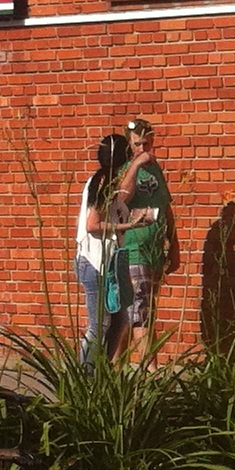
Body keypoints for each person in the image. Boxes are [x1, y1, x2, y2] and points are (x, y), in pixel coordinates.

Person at [106, 115, 175, 359]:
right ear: (129, 144)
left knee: (135, 313)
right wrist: (135, 165)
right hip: (133, 249)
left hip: (154, 251)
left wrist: (173, 245)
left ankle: (114, 367)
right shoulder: (125, 169)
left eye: (146, 143)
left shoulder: (155, 169)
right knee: (141, 312)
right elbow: (120, 200)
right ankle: (150, 369)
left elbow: (166, 208)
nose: (142, 149)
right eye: (137, 144)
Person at [75, 132, 129, 361]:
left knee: (119, 319)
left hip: (107, 261)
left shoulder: (107, 181)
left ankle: (101, 369)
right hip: (94, 261)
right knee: (99, 325)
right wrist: (127, 226)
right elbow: (92, 225)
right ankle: (84, 373)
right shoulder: (103, 182)